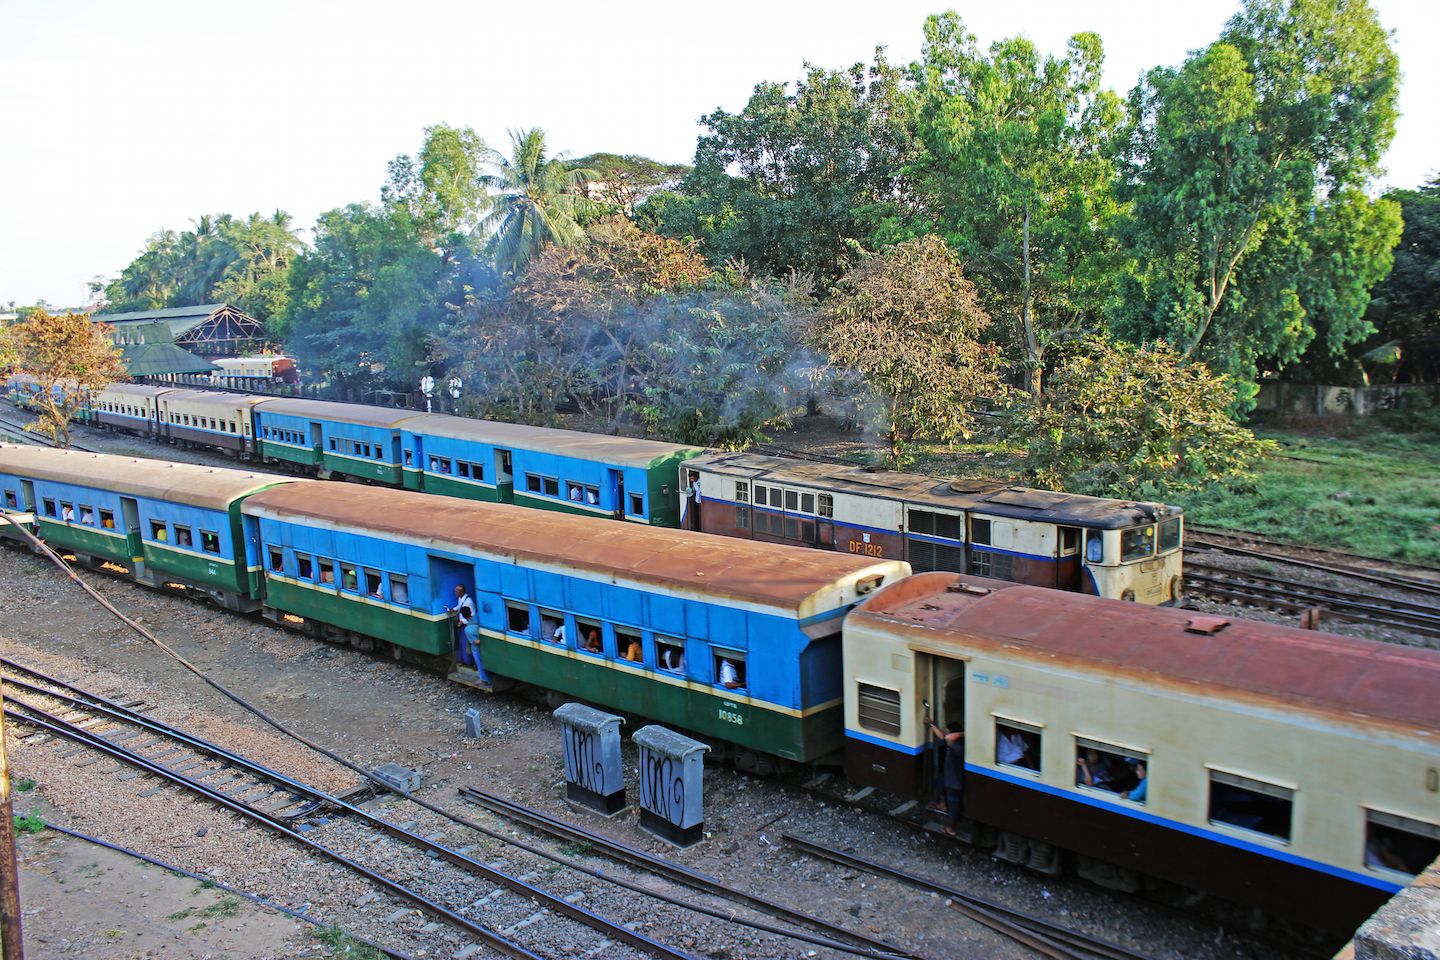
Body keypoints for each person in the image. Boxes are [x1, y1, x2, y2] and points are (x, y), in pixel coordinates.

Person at [927, 715, 966, 836]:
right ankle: (942, 804)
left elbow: (946, 737)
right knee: (939, 781)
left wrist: (963, 733)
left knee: (954, 804)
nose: (947, 735)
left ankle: (952, 828)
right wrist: (932, 724)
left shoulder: (957, 747)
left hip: (954, 781)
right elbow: (943, 736)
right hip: (950, 778)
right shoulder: (955, 745)